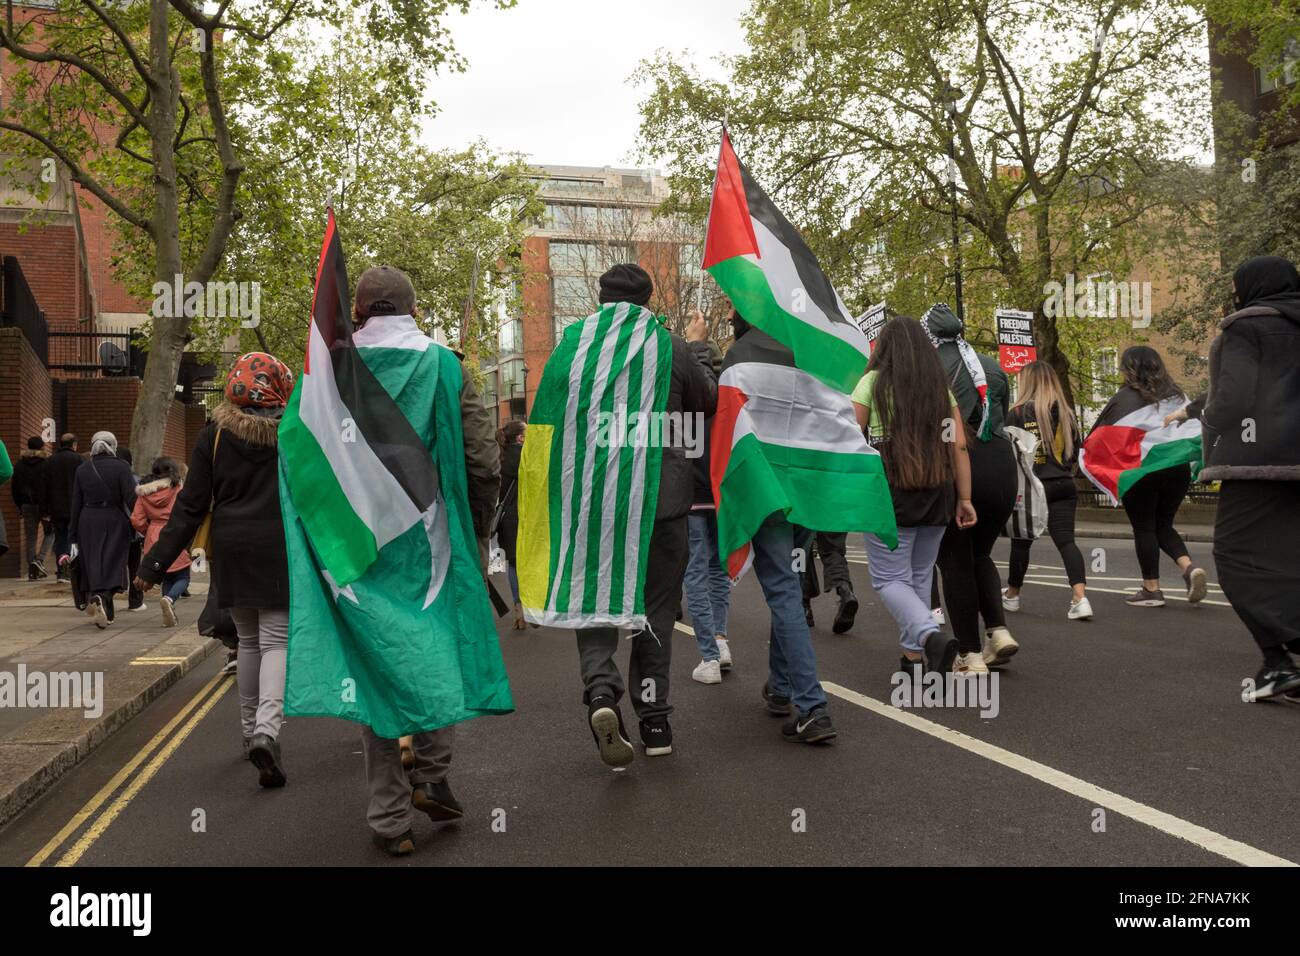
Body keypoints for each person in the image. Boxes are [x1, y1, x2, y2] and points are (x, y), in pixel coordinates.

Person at [537, 265, 716, 768]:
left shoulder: (572, 345)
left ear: (601, 297)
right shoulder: (671, 346)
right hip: (662, 503)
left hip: (593, 503)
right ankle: (655, 720)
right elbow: (706, 406)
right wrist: (699, 347)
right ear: (647, 299)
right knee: (655, 612)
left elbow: (548, 416)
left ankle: (600, 694)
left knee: (593, 598)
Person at [135, 352, 293, 787]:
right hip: (280, 547)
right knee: (277, 641)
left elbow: (189, 507)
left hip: (231, 548)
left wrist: (153, 564)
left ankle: (247, 735)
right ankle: (268, 729)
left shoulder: (214, 437)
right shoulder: (296, 432)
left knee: (248, 641)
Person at [1166, 255, 1300, 700]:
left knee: (1235, 556)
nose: (1234, 296)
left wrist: (1210, 417)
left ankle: (1279, 660)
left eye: (1237, 288)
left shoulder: (1246, 327)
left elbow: (1236, 395)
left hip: (1258, 464)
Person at [853, 316, 969, 678]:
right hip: (938, 489)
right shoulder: (940, 388)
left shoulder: (871, 383)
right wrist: (965, 497)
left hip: (889, 490)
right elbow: (959, 445)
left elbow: (849, 438)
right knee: (918, 576)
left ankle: (928, 636)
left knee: (889, 580)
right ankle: (915, 661)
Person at [923, 304, 1018, 673]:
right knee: (981, 554)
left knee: (954, 559)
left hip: (960, 461)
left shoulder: (929, 367)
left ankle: (969, 654)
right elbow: (1003, 414)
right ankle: (998, 632)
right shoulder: (990, 365)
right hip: (1000, 463)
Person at [1092, 346, 1206, 607]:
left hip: (1141, 470)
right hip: (1176, 467)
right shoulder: (1178, 397)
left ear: (1129, 368)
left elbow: (1101, 435)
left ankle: (1151, 589)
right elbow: (1195, 428)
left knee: (1144, 527)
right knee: (1163, 524)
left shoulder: (1123, 399)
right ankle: (1188, 568)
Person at [1003, 361, 1093, 621]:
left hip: (1033, 487)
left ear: (1027, 382)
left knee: (1021, 541)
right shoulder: (1067, 413)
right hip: (1064, 484)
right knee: (1066, 541)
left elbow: (1012, 455)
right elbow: (1075, 453)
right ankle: (1080, 597)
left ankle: (1012, 594)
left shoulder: (1017, 413)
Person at [685, 345, 732, 684]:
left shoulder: (686, 396)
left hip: (691, 495)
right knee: (718, 569)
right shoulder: (728, 398)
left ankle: (710, 657)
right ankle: (720, 639)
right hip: (721, 494)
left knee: (696, 574)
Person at [69, 431, 137, 628]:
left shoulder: (83, 469)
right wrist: (141, 521)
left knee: (94, 563)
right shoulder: (122, 467)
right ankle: (104, 595)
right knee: (115, 562)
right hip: (115, 518)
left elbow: (76, 502)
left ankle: (106, 610)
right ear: (113, 446)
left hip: (87, 520)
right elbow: (131, 498)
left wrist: (72, 534)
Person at [130, 457, 191, 627]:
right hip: (176, 533)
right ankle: (169, 599)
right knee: (183, 576)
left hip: (153, 534)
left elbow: (137, 519)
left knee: (164, 575)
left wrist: (148, 530)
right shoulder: (177, 488)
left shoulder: (144, 492)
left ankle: (167, 607)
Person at [497, 419, 528, 629]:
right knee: (532, 561)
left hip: (507, 518)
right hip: (526, 517)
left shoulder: (499, 457)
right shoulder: (527, 457)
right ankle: (534, 606)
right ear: (520, 438)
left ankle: (519, 608)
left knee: (514, 564)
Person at [796, 531, 858, 634]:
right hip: (834, 514)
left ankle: (804, 606)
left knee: (801, 549)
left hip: (805, 515)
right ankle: (845, 590)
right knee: (833, 550)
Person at [44, 434, 83, 583]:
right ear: (73, 444)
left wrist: (45, 510)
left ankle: (61, 571)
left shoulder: (50, 461)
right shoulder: (79, 460)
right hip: (75, 506)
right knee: (73, 537)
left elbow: (44, 487)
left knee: (60, 537)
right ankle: (71, 568)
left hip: (56, 507)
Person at [12, 436, 51, 579]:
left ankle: (32, 570)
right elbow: (49, 487)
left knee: (31, 537)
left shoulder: (19, 464)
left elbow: (14, 488)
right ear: (42, 447)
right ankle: (39, 560)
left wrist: (20, 506)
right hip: (44, 505)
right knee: (51, 532)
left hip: (26, 505)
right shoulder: (47, 464)